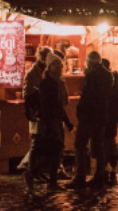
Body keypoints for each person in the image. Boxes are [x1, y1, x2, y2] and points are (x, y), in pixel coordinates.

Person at [68, 51, 112, 189]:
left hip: (89, 116)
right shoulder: (108, 75)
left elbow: (87, 96)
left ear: (89, 62)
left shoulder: (91, 75)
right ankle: (100, 175)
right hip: (101, 115)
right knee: (98, 146)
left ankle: (80, 176)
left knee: (79, 145)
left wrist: (80, 112)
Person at [34, 54, 73, 190]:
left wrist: (67, 122)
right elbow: (48, 105)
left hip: (57, 119)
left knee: (55, 150)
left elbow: (60, 105)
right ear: (49, 67)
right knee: (54, 150)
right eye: (55, 64)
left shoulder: (60, 82)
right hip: (50, 120)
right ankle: (39, 173)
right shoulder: (46, 83)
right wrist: (51, 122)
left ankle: (49, 179)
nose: (58, 67)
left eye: (60, 64)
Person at [19, 46, 52, 179]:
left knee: (42, 142)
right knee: (36, 142)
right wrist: (31, 112)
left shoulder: (44, 72)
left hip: (43, 112)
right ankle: (32, 170)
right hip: (36, 112)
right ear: (42, 58)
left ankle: (37, 170)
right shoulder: (32, 73)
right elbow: (27, 94)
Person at [102, 59, 118, 185]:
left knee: (107, 143)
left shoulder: (106, 80)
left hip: (107, 116)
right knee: (110, 142)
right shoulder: (115, 81)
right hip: (113, 116)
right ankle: (112, 170)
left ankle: (108, 171)